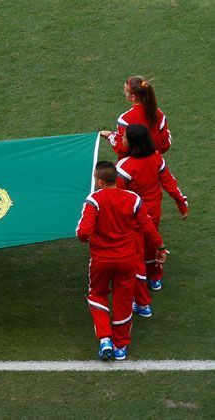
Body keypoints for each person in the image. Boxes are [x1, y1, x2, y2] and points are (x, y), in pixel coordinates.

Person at [76, 161, 166, 361]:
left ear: (100, 182)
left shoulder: (94, 200)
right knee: (123, 300)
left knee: (97, 294)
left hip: (101, 261)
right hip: (127, 260)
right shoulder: (133, 199)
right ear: (116, 178)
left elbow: (83, 232)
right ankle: (120, 347)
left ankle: (105, 339)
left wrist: (91, 238)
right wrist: (160, 247)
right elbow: (147, 227)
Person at [116, 125, 188, 314]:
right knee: (151, 243)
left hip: (133, 217)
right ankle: (155, 277)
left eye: (124, 138)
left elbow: (117, 196)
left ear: (133, 143)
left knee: (135, 253)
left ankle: (139, 299)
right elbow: (170, 183)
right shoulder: (156, 158)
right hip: (153, 214)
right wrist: (182, 204)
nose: (122, 140)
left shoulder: (125, 166)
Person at [100, 76, 172, 160]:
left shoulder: (125, 119)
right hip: (155, 164)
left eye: (125, 92)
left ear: (133, 97)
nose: (124, 93)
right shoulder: (158, 113)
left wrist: (110, 135)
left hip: (132, 169)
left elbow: (122, 147)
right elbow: (165, 142)